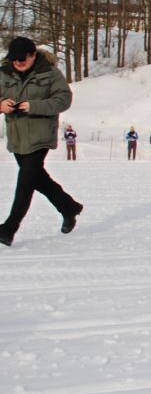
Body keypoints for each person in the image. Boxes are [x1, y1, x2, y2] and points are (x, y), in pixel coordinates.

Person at [0, 37, 83, 245]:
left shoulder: (50, 73)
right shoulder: (3, 73)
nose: (18, 62)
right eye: (14, 59)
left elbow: (63, 99)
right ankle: (68, 206)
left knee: (26, 180)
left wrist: (34, 106)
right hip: (17, 136)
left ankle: (8, 229)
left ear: (33, 55)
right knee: (38, 179)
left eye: (23, 58)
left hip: (41, 135)